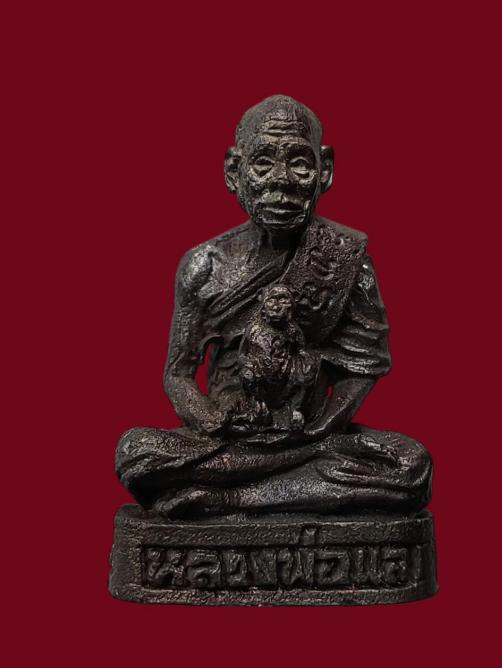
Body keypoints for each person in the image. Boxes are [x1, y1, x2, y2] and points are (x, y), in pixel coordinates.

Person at [115, 95, 432, 518]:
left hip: (310, 432)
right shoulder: (204, 267)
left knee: (411, 465)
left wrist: (320, 428)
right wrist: (210, 417)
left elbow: (361, 369)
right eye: (263, 163)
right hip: (231, 435)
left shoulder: (343, 257)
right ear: (234, 171)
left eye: (299, 163)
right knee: (136, 452)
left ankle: (232, 498)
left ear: (325, 170)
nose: (281, 181)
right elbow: (177, 374)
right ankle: (288, 483)